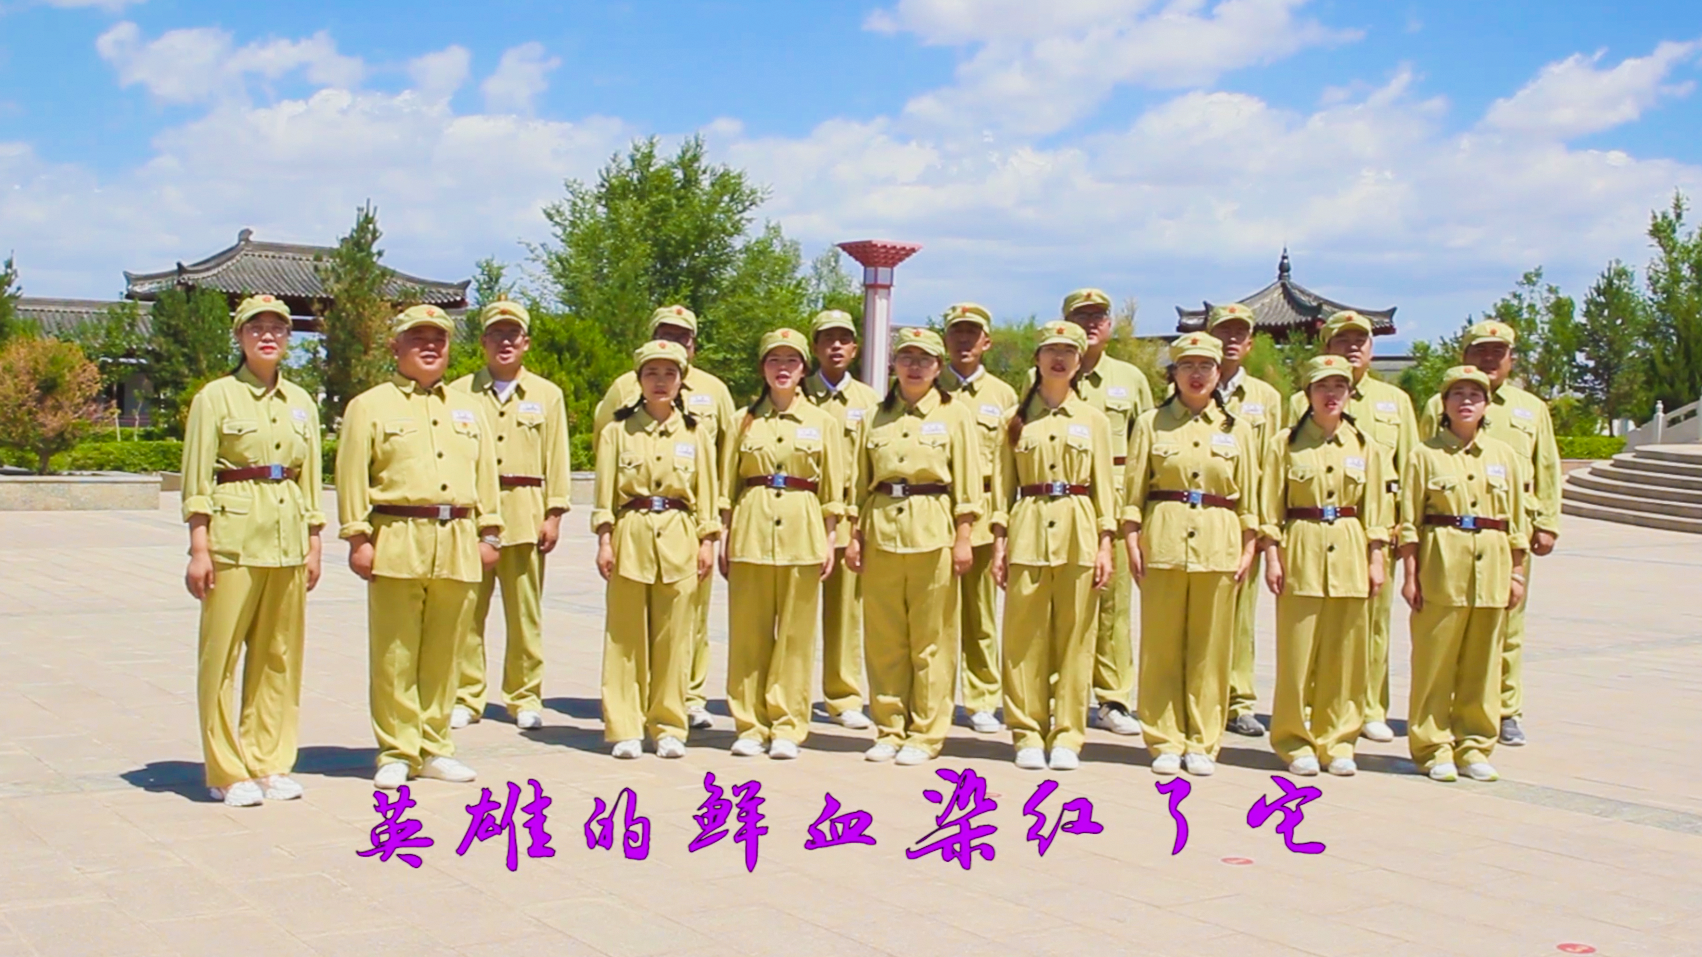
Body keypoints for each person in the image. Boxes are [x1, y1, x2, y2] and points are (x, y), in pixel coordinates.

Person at [336, 304, 503, 789]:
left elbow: (486, 476)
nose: (430, 346)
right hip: (398, 534)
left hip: (457, 538)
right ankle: (397, 749)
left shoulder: (469, 408)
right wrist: (357, 536)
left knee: (445, 651)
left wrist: (491, 531)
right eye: (417, 338)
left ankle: (435, 745)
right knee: (396, 652)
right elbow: (351, 475)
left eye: (439, 339)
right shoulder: (369, 406)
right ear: (396, 346)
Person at [180, 294, 324, 807]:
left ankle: (269, 760)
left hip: (288, 536)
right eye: (256, 327)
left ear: (289, 338)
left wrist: (314, 541)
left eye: (278, 328)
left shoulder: (302, 402)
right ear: (239, 336)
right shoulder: (215, 398)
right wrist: (199, 547)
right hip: (235, 537)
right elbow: (197, 478)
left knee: (278, 656)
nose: (268, 335)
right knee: (221, 655)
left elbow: (311, 477)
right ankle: (226, 769)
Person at [1417, 320, 1559, 747]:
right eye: (1480, 351)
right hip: (1449, 534)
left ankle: (1505, 708)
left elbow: (1547, 466)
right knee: (1446, 623)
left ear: (1511, 358)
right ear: (1465, 356)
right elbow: (1421, 466)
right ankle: (1446, 709)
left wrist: (1547, 522)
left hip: (1507, 531)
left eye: (1498, 352)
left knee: (1506, 623)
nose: (1489, 358)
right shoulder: (1438, 404)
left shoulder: (1531, 408)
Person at [594, 306, 736, 731]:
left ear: (682, 377)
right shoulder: (618, 430)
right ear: (638, 378)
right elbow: (604, 488)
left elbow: (711, 481)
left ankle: (671, 721)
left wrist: (709, 538)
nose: (660, 380)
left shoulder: (696, 430)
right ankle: (624, 723)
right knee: (625, 635)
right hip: (632, 532)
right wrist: (604, 538)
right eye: (651, 373)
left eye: (669, 373)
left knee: (677, 634)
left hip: (680, 534)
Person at [1122, 332, 1258, 777]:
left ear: (1218, 373)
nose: (1196, 375)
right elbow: (1133, 493)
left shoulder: (1237, 429)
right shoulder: (1151, 423)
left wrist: (1249, 545)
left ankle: (1202, 739)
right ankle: (1163, 738)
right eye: (1187, 366)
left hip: (1219, 544)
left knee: (1210, 650)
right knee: (1160, 646)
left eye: (1205, 366)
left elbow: (1250, 500)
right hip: (1164, 540)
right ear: (1174, 373)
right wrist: (1131, 539)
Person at [845, 328, 980, 766]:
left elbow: (968, 484)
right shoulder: (874, 416)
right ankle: (889, 727)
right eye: (907, 358)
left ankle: (926, 732)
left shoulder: (955, 415)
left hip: (932, 530)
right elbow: (858, 483)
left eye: (924, 359)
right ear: (894, 365)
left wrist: (964, 537)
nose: (915, 367)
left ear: (938, 367)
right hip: (882, 529)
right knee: (884, 638)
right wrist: (854, 534)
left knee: (931, 641)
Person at [991, 321, 1114, 771]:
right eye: (1051, 351)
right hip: (1028, 529)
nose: (1059, 359)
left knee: (1075, 639)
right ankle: (1026, 730)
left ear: (1080, 362)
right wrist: (999, 544)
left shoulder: (1094, 420)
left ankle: (1067, 733)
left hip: (1078, 532)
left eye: (1068, 352)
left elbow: (1105, 489)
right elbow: (1001, 489)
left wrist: (1105, 544)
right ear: (1038, 358)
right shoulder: (1014, 419)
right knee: (1023, 639)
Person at [1288, 310, 1415, 744]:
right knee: (1316, 623)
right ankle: (1314, 703)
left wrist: (1404, 525)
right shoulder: (1300, 403)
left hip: (1374, 524)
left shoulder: (1395, 401)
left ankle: (1371, 705)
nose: (1353, 347)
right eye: (1343, 341)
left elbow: (1409, 468)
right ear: (1327, 348)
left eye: (1360, 340)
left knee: (1372, 622)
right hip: (1315, 525)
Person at [1261, 355, 1390, 777]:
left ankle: (1339, 740)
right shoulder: (1285, 443)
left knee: (1345, 655)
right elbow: (1270, 507)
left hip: (1350, 548)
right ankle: (1293, 740)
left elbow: (1377, 509)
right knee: (1297, 655)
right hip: (1302, 547)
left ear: (1349, 393)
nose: (1331, 394)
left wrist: (1376, 558)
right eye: (1322, 387)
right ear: (1308, 394)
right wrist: (1272, 555)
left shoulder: (1365, 445)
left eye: (1339, 387)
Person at [720, 328, 845, 759]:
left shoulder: (823, 423)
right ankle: (750, 724)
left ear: (804, 368)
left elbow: (833, 490)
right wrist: (724, 534)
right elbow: (726, 486)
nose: (783, 368)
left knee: (795, 636)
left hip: (801, 532)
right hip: (751, 531)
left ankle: (789, 724)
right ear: (762, 368)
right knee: (748, 635)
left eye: (791, 361)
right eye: (775, 360)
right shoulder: (741, 420)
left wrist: (830, 537)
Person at [1401, 365, 1529, 783]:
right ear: (1444, 404)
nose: (1467, 401)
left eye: (1475, 395)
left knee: (1483, 664)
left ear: (1487, 404)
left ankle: (1474, 744)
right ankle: (1432, 746)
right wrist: (1411, 574)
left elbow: (1517, 522)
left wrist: (1517, 573)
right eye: (1457, 394)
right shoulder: (1424, 455)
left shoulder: (1504, 456)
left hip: (1491, 567)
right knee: (1434, 662)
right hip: (1442, 565)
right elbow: (1409, 522)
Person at [449, 299, 570, 733]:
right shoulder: (458, 393)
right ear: (482, 341)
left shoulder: (547, 395)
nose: (505, 342)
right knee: (468, 612)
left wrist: (554, 513)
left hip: (525, 513)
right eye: (497, 334)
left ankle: (524, 696)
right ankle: (466, 695)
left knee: (525, 615)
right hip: (474, 517)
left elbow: (557, 456)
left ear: (526, 342)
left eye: (513, 335)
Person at [1054, 288, 1154, 738]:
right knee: (1061, 603)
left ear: (1110, 325)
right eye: (1081, 316)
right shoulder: (1048, 372)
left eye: (1098, 316)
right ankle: (1059, 693)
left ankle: (1113, 698)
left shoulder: (1130, 378)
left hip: (1114, 500)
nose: (1091, 324)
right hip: (1062, 501)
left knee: (1113, 605)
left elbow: (1148, 444)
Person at [1204, 303, 1288, 739]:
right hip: (1201, 514)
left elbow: (1275, 464)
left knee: (1240, 611)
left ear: (1251, 343)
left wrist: (1265, 525)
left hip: (1245, 515)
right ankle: (1199, 694)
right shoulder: (1191, 385)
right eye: (1223, 332)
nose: (1231, 340)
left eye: (1239, 333)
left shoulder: (1267, 399)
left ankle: (1238, 700)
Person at [941, 302, 1021, 735]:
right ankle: (933, 697)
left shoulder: (1003, 395)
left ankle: (982, 698)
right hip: (937, 510)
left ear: (987, 342)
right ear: (946, 338)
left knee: (981, 614)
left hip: (986, 511)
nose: (964, 341)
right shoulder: (929, 385)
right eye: (957, 332)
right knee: (936, 613)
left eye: (972, 334)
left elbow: (1011, 464)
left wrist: (1004, 522)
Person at [802, 310, 883, 731]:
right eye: (827, 338)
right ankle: (790, 694)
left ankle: (843, 695)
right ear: (814, 347)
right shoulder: (798, 392)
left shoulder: (870, 402)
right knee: (795, 611)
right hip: (800, 514)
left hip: (849, 515)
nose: (835, 346)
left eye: (843, 339)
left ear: (855, 348)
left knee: (846, 613)